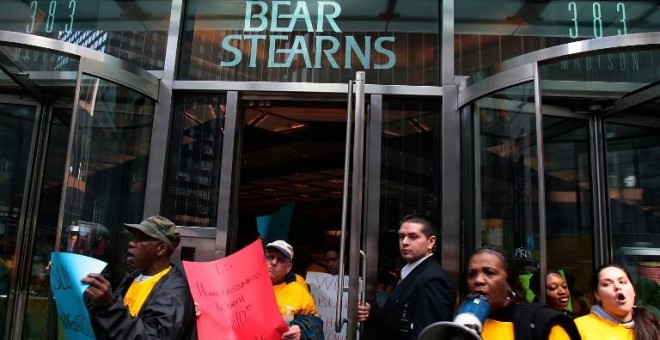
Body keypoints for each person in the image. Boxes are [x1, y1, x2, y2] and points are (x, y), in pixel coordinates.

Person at [81, 216, 197, 339]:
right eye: (134, 237)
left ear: (161, 249)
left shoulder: (174, 293)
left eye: (141, 238)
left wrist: (108, 305)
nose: (131, 243)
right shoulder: (132, 279)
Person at [467, 245, 581, 340]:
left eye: (489, 272)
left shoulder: (543, 324)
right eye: (472, 274)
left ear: (509, 281)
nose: (478, 280)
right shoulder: (462, 325)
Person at [370, 214, 456, 340]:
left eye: (413, 237)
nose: (404, 242)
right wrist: (371, 314)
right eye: (401, 236)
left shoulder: (433, 280)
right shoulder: (410, 272)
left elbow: (428, 335)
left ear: (431, 242)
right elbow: (396, 321)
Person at [574, 264, 659, 340]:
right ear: (597, 295)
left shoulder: (651, 324)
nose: (617, 286)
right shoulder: (578, 327)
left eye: (622, 282)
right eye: (607, 284)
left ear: (633, 291)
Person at [264, 240, 324, 340]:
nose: (274, 262)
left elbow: (316, 325)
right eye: (270, 257)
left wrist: (301, 330)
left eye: (280, 259)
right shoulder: (248, 286)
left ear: (288, 268)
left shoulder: (299, 292)